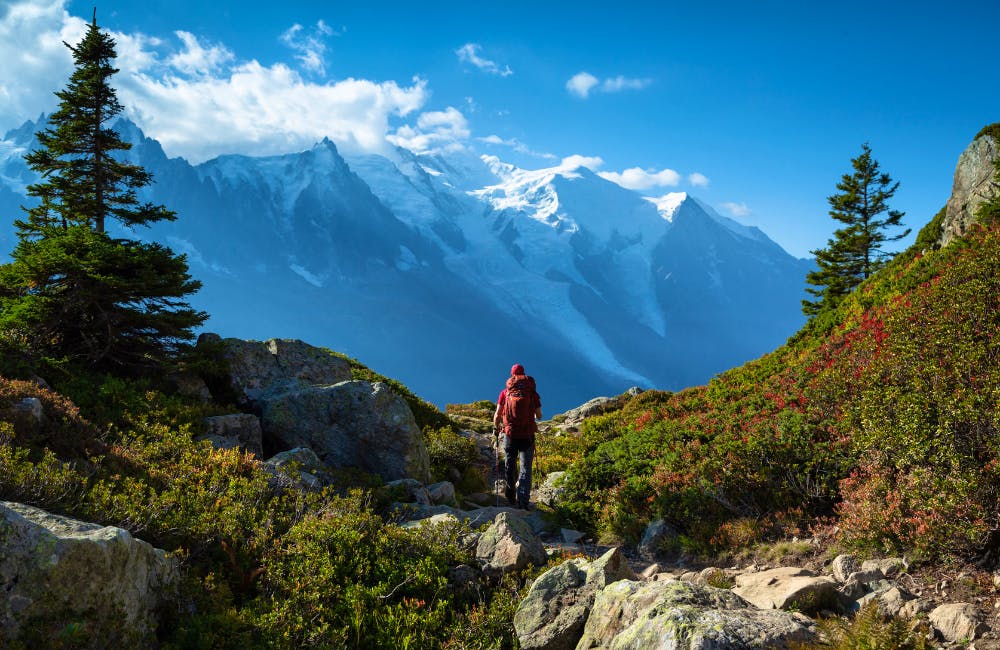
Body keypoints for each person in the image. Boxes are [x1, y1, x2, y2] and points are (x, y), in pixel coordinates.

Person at [493, 363, 542, 509]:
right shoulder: (532, 393)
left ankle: (510, 495)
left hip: (510, 434)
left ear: (512, 376)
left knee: (510, 465)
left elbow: (497, 415)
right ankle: (523, 502)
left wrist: (496, 427)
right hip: (527, 435)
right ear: (524, 375)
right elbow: (539, 416)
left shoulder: (505, 393)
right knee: (526, 468)